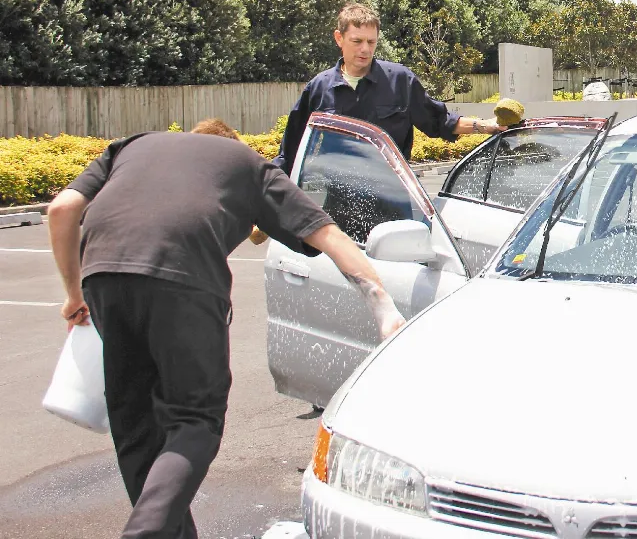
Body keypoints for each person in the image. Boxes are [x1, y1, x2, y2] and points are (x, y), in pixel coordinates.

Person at [47, 119, 404, 539]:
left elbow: (62, 209)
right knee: (194, 420)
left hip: (103, 275)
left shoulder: (131, 145)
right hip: (185, 281)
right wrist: (386, 311)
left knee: (136, 426)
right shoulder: (247, 163)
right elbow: (330, 237)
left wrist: (74, 294)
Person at [273, 2, 501, 175]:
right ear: (339, 38)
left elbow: (440, 121)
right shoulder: (318, 89)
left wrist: (487, 126)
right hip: (338, 199)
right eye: (357, 41)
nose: (365, 49)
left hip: (393, 195)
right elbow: (290, 153)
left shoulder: (400, 80)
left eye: (371, 42)